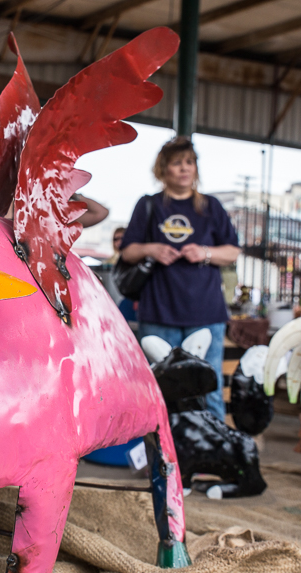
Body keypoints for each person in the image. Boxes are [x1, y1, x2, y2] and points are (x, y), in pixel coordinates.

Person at [120, 137, 241, 421]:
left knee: (208, 386)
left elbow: (233, 251)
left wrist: (206, 253)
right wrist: (152, 248)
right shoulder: (148, 205)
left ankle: (212, 455)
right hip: (160, 311)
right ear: (163, 169)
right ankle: (164, 461)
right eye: (177, 163)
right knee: (158, 388)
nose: (184, 169)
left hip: (206, 312)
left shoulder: (210, 206)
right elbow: (127, 251)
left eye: (190, 162)